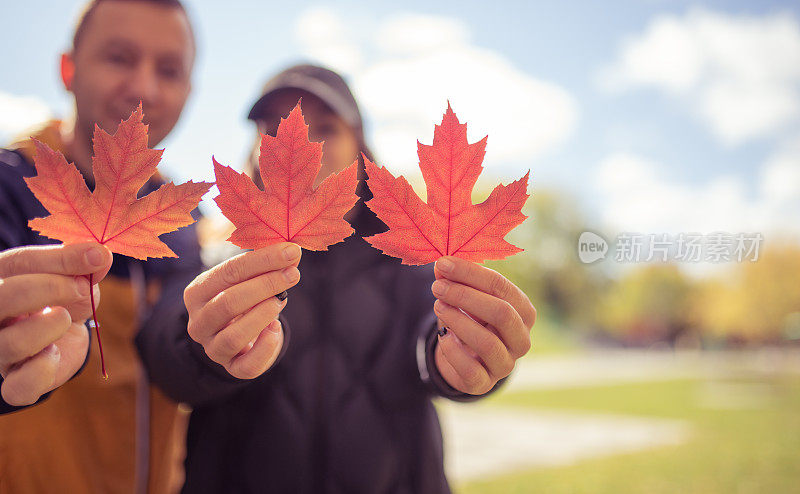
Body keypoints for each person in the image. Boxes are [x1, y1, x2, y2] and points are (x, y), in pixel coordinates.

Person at [137, 64, 537, 493]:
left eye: (326, 127)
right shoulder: (215, 250)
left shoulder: (408, 254)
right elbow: (164, 346)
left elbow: (433, 331)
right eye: (273, 129)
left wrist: (466, 353)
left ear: (361, 150)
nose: (301, 145)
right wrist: (204, 348)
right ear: (253, 150)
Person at [0, 0, 208, 492]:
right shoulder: (10, 185)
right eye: (118, 57)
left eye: (169, 69)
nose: (143, 89)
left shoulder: (183, 219)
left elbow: (174, 350)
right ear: (68, 69)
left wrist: (221, 355)